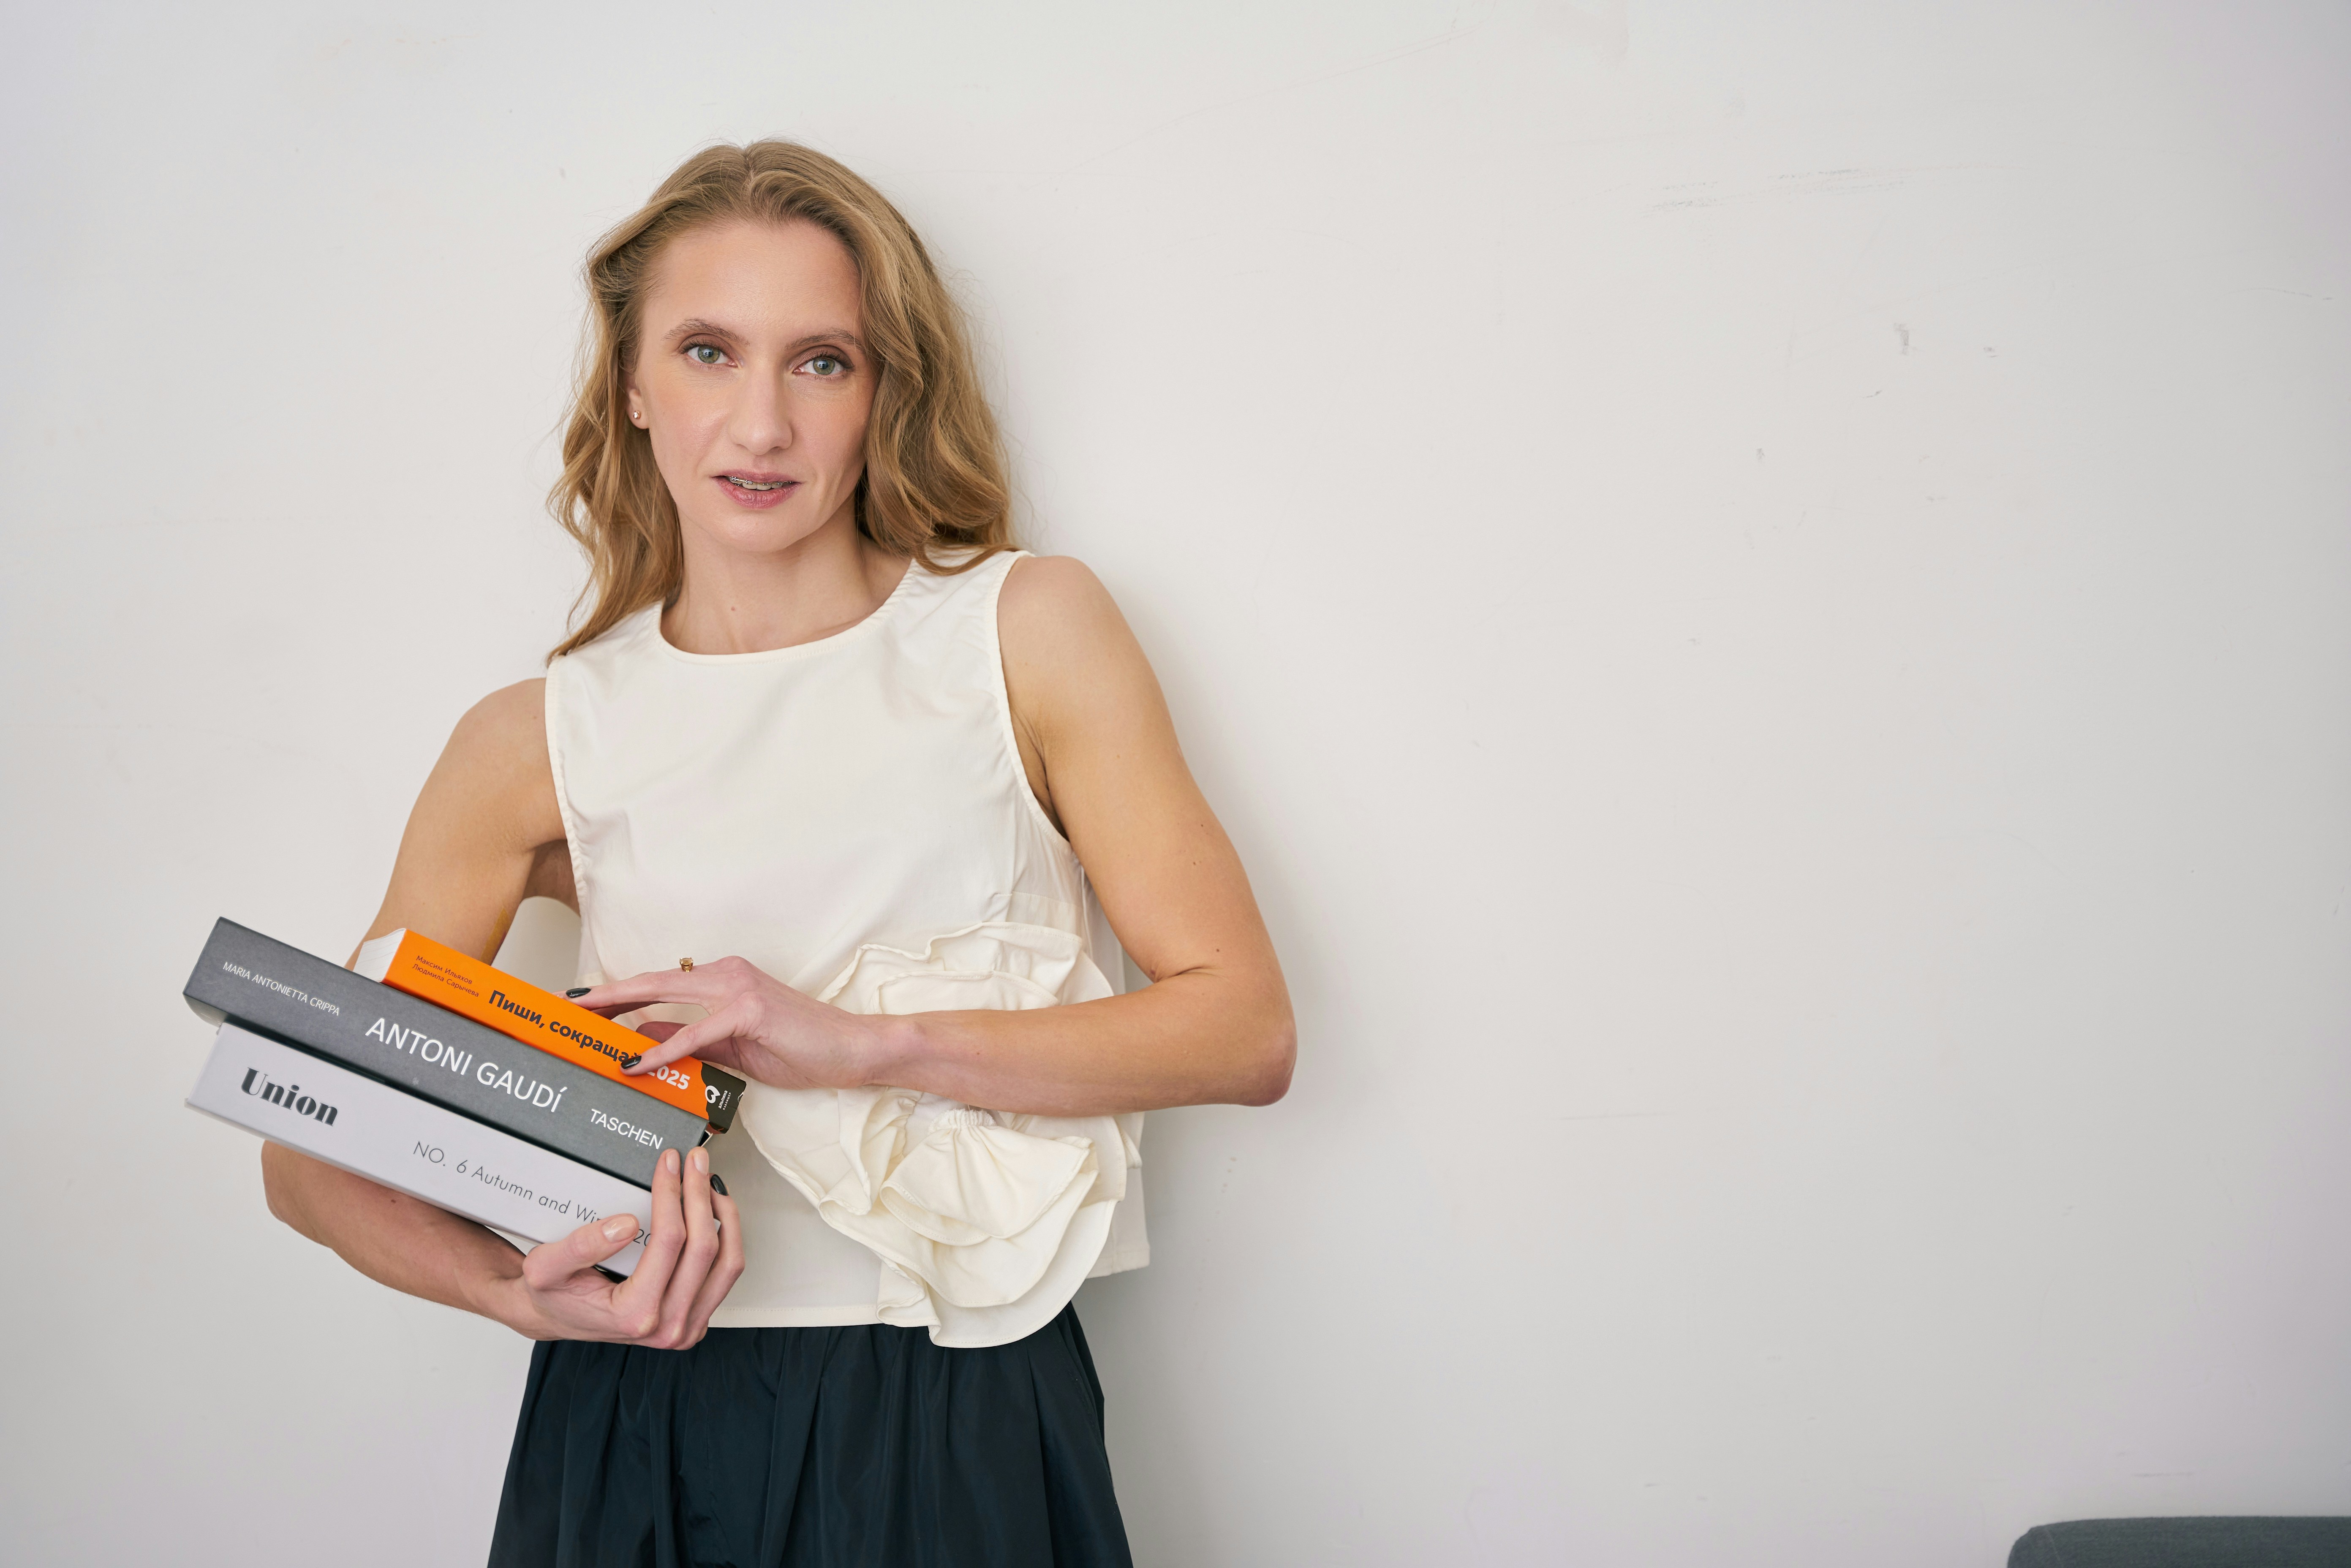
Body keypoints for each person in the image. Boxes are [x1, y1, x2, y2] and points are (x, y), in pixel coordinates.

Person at [258, 140, 1294, 1567]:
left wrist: (857, 1043)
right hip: (634, 1416)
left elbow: (1242, 1027)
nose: (760, 423)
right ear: (630, 380)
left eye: (822, 361)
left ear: (887, 390)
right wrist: (515, 1296)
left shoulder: (1023, 632)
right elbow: (308, 1145)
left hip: (954, 1394)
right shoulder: (532, 737)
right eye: (705, 351)